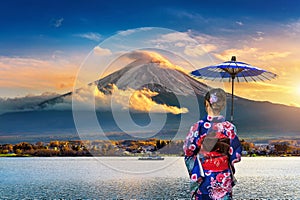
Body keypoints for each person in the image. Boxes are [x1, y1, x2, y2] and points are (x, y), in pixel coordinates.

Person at [183, 88, 242, 200]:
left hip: (204, 176)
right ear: (223, 105)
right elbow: (236, 155)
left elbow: (188, 151)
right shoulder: (229, 127)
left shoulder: (198, 127)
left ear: (206, 103)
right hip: (223, 176)